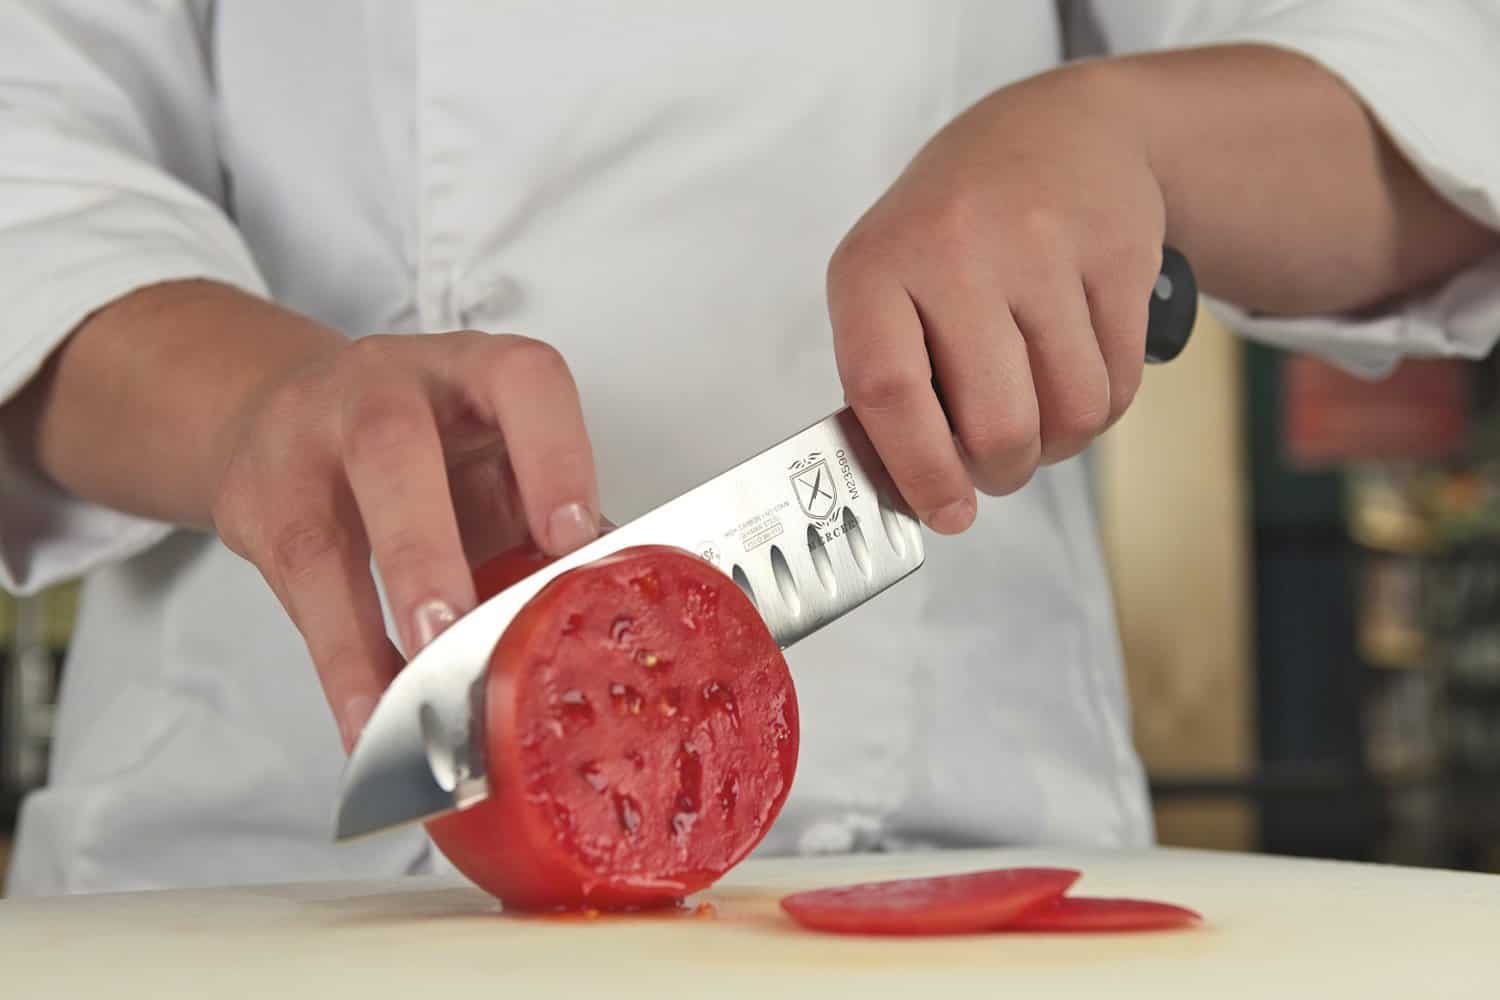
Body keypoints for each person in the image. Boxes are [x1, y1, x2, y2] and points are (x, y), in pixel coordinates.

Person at [2, 1, 1497, 896]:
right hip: (254, 838)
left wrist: (1133, 136)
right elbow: (30, 144)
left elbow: (1440, 78)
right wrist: (250, 411)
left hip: (923, 840)